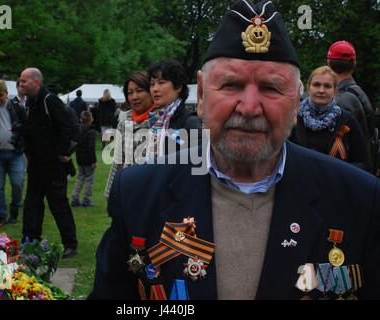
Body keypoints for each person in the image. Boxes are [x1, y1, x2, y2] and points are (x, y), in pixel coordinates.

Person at [89, 0, 380, 300]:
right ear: (201, 95)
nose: (250, 107)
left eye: (271, 87)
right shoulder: (138, 193)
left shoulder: (360, 199)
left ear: (296, 102)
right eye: (230, 84)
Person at [19, 67, 78, 259]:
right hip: (36, 163)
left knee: (58, 205)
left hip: (52, 164)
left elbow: (67, 125)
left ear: (36, 82)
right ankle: (30, 241)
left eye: (24, 81)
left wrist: (62, 152)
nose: (21, 84)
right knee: (32, 204)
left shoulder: (49, 100)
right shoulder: (31, 102)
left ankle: (70, 243)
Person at [290, 66, 368, 170]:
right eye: (316, 85)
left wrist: (337, 171)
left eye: (327, 86)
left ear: (335, 91)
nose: (321, 90)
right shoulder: (293, 117)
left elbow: (363, 163)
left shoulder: (346, 120)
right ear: (308, 88)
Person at [327, 40, 379, 175]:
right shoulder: (359, 93)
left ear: (328, 64)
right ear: (353, 64)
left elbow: (338, 152)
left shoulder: (339, 101)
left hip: (349, 175)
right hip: (365, 172)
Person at [104, 71, 155, 199]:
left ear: (151, 91)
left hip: (151, 192)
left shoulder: (162, 121)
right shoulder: (125, 120)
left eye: (139, 90)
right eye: (130, 93)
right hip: (127, 189)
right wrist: (110, 194)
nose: (134, 97)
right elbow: (118, 161)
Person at [0, 80, 26, 226]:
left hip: (15, 153)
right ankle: (1, 215)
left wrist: (18, 134)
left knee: (17, 184)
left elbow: (25, 127)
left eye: (0, 95)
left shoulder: (16, 108)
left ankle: (14, 212)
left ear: (6, 94)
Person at [147, 59, 202, 157]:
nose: (155, 89)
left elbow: (199, 164)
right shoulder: (155, 120)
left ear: (178, 86)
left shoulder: (190, 122)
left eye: (161, 82)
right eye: (152, 84)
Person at [71, 111, 97, 207]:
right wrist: (93, 161)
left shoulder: (77, 130)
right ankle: (87, 200)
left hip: (79, 158)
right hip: (88, 159)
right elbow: (91, 148)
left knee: (80, 178)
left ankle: (75, 198)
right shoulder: (91, 132)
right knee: (89, 179)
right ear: (91, 119)